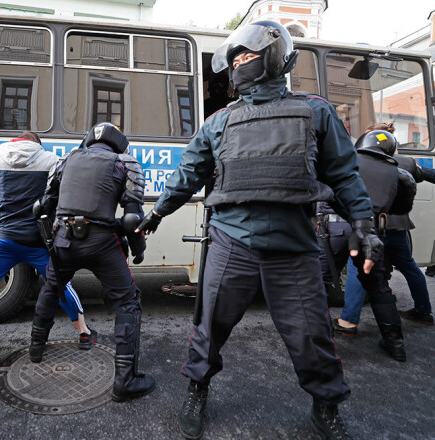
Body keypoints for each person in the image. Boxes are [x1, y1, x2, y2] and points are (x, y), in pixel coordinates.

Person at [136, 21, 382, 440]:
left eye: (247, 56)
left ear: (274, 59)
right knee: (209, 327)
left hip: (294, 246)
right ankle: (197, 388)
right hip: (233, 243)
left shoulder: (315, 111)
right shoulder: (218, 123)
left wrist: (363, 224)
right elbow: (186, 177)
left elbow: (345, 176)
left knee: (311, 335)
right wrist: (155, 215)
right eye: (235, 59)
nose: (239, 64)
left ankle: (326, 407)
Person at [30, 122, 153, 402]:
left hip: (62, 239)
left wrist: (51, 239)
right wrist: (138, 249)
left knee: (51, 288)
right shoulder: (126, 164)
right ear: (119, 143)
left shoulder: (67, 159)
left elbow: (42, 207)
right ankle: (125, 381)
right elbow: (133, 219)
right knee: (128, 301)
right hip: (101, 243)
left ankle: (36, 349)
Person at [0, 132, 97, 347]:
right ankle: (84, 332)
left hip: (2, 241)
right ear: (37, 144)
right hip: (37, 243)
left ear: (16, 141)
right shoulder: (50, 159)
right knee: (62, 285)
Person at [332, 123, 432, 335]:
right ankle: (424, 311)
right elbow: (429, 174)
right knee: (409, 267)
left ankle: (348, 322)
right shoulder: (406, 162)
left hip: (370, 226)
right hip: (397, 228)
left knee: (358, 268)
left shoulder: (357, 159)